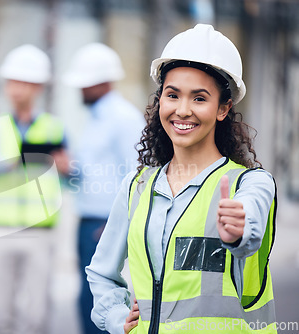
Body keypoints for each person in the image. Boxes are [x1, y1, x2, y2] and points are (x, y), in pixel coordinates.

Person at [86, 24, 277, 334]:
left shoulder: (250, 184)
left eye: (199, 99)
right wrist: (115, 317)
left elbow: (249, 229)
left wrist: (239, 232)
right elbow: (102, 272)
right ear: (160, 100)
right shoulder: (137, 187)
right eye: (173, 95)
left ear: (223, 108)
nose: (183, 110)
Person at [0, 44, 69, 334]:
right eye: (12, 82)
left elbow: (69, 179)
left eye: (24, 82)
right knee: (2, 314)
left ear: (38, 87)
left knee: (38, 315)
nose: (16, 89)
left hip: (39, 232)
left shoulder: (55, 128)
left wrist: (66, 167)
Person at [62, 42, 145, 334]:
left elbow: (139, 176)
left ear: (104, 82)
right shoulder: (94, 119)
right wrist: (67, 169)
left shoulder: (124, 119)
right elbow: (93, 173)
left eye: (85, 84)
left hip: (103, 224)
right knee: (86, 303)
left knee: (101, 303)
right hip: (88, 222)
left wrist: (115, 224)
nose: (80, 90)